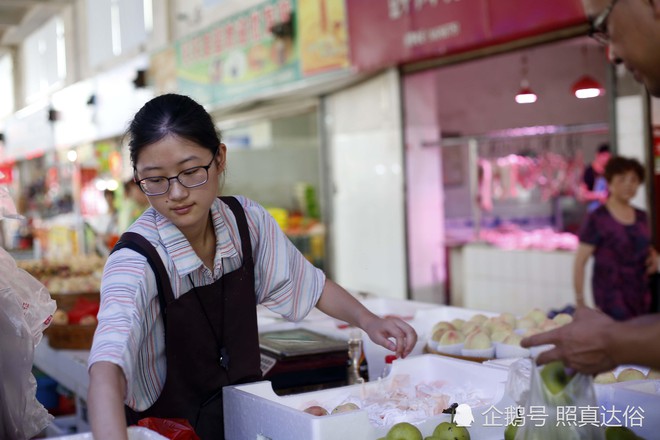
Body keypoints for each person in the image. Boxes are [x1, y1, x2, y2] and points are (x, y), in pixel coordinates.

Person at [87, 93, 418, 440]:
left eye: (190, 172)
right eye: (155, 180)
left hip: (245, 418)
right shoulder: (135, 261)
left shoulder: (246, 222)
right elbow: (107, 369)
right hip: (172, 430)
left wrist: (368, 320)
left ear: (220, 159)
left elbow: (308, 282)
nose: (177, 193)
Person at [522, 0, 660, 374]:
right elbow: (583, 259)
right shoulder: (599, 217)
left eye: (604, 26)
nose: (611, 54)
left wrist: (615, 343)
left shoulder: (643, 215)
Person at [574, 156, 656, 319]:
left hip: (643, 296)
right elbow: (580, 262)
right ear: (610, 182)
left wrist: (653, 255)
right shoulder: (597, 218)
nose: (628, 184)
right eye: (622, 179)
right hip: (610, 299)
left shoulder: (642, 217)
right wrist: (580, 301)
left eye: (633, 180)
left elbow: (645, 246)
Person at [580, 143, 611, 213]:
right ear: (597, 155)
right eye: (604, 156)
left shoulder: (610, 171)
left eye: (608, 158)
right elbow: (584, 195)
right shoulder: (589, 171)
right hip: (594, 211)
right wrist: (599, 195)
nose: (606, 160)